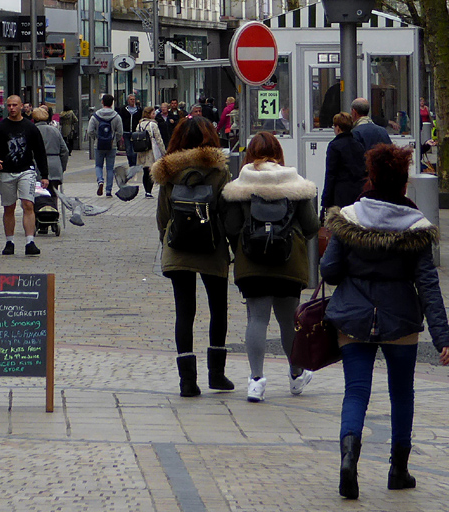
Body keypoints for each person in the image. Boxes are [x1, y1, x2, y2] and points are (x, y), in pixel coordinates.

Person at [322, 144, 449, 499]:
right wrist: (443, 337)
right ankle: (399, 469)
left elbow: (329, 271)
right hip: (401, 319)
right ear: (403, 184)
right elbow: (427, 284)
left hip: (353, 318)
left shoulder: (348, 216)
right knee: (401, 393)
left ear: (372, 177)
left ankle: (349, 458)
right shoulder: (416, 226)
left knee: (356, 391)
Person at [221, 131, 320, 402]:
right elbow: (312, 226)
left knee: (257, 319)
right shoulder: (294, 182)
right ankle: (296, 375)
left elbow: (230, 227)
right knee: (288, 321)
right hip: (289, 262)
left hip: (252, 263)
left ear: (249, 153)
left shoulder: (241, 183)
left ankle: (255, 382)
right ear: (279, 152)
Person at [151, 116, 231, 397]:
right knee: (218, 308)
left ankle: (187, 381)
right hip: (212, 248)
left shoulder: (168, 170)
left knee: (184, 313)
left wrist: (168, 241)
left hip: (178, 248)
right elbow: (226, 212)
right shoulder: (219, 170)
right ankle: (217, 375)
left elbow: (163, 215)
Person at [0, 94, 49, 256]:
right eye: (9, 105)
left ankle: (30, 242)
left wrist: (45, 175)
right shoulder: (0, 128)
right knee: (9, 207)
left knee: (28, 205)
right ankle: (9, 241)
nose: (11, 108)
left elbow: (40, 152)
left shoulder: (30, 127)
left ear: (22, 107)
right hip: (6, 172)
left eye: (14, 105)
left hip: (26, 170)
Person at [322, 113, 367, 219]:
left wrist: (325, 202)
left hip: (340, 194)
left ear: (338, 128)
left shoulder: (334, 146)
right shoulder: (359, 145)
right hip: (358, 193)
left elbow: (330, 175)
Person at [87, 94, 123, 197]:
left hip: (98, 145)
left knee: (98, 165)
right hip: (111, 145)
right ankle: (108, 191)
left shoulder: (95, 116)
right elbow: (120, 132)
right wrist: (115, 140)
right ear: (112, 103)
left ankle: (100, 181)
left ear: (102, 102)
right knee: (110, 168)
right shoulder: (116, 116)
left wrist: (96, 138)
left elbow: (90, 131)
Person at [32, 106, 69, 192]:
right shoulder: (55, 131)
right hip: (55, 166)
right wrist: (61, 167)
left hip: (38, 167)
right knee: (53, 195)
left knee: (39, 196)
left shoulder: (33, 131)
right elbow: (65, 151)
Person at [135, 106, 165, 197]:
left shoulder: (139, 124)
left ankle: (146, 190)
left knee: (145, 171)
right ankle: (149, 191)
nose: (154, 115)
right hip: (151, 150)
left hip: (141, 150)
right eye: (153, 113)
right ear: (149, 114)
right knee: (151, 170)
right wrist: (164, 152)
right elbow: (159, 139)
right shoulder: (153, 125)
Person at [116, 94, 144, 169]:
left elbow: (141, 119)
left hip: (135, 132)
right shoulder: (123, 109)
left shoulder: (138, 110)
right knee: (128, 150)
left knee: (134, 150)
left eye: (133, 99)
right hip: (126, 132)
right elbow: (120, 120)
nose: (132, 101)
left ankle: (134, 165)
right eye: (131, 99)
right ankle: (130, 163)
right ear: (128, 100)